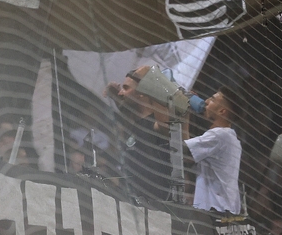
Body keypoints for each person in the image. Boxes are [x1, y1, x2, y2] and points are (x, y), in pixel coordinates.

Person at [104, 66, 173, 201]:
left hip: (160, 209)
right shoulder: (133, 126)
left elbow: (165, 122)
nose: (121, 92)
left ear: (142, 92)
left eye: (126, 88)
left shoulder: (157, 125)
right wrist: (115, 96)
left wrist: (149, 76)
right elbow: (127, 112)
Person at [184, 87, 243, 214]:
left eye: (212, 100)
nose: (205, 101)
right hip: (224, 209)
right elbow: (188, 159)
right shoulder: (229, 136)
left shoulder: (219, 135)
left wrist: (184, 112)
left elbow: (182, 152)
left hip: (216, 210)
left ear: (222, 111)